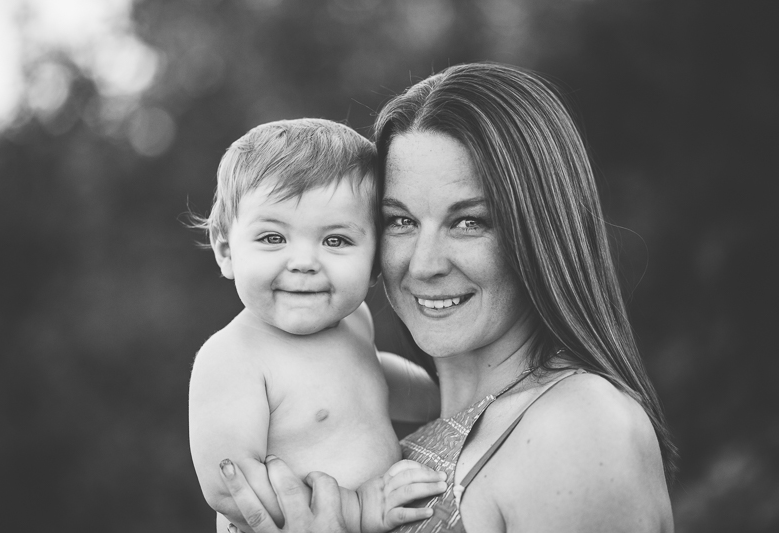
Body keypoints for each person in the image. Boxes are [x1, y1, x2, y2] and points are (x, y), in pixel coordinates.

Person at [217, 63, 678, 533]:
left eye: (468, 222)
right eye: (401, 221)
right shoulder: (383, 458)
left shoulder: (574, 427)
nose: (424, 264)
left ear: (540, 231)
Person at [188, 118, 443, 533]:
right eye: (273, 238)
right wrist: (356, 508)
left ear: (376, 258)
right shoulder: (233, 358)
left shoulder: (353, 321)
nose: (304, 261)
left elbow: (371, 378)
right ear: (225, 249)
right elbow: (228, 485)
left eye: (336, 240)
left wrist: (443, 399)